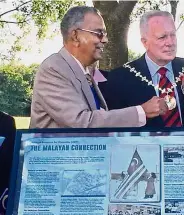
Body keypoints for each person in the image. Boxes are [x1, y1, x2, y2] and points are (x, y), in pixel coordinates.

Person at [30, 6, 168, 129]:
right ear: (75, 36)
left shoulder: (86, 71)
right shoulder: (53, 69)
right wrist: (141, 112)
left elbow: (99, 115)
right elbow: (81, 122)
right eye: (99, 33)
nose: (105, 40)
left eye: (105, 34)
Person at [102, 10, 184, 127]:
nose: (170, 42)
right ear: (145, 42)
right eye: (162, 37)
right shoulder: (120, 77)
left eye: (173, 35)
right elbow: (115, 127)